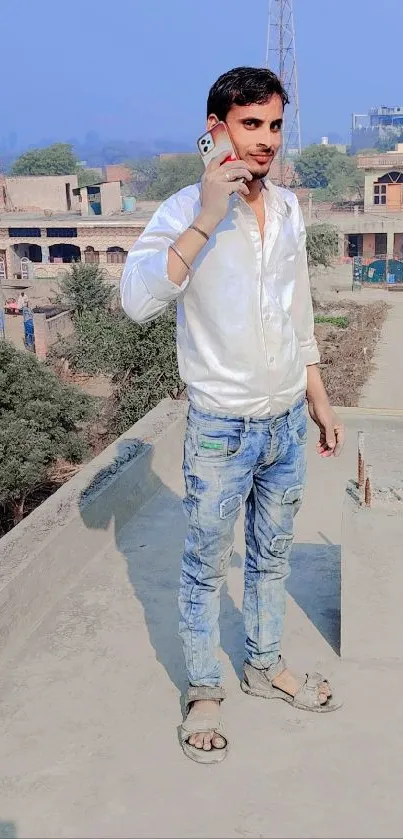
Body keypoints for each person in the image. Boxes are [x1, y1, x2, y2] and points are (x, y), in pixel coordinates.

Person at [121, 66, 345, 764]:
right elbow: (137, 301)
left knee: (269, 557)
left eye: (274, 125)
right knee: (203, 566)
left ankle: (262, 663)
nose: (265, 141)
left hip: (282, 421)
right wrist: (207, 218)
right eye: (251, 125)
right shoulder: (180, 211)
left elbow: (294, 307)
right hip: (220, 429)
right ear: (216, 128)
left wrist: (317, 395)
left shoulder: (285, 210)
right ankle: (203, 689)